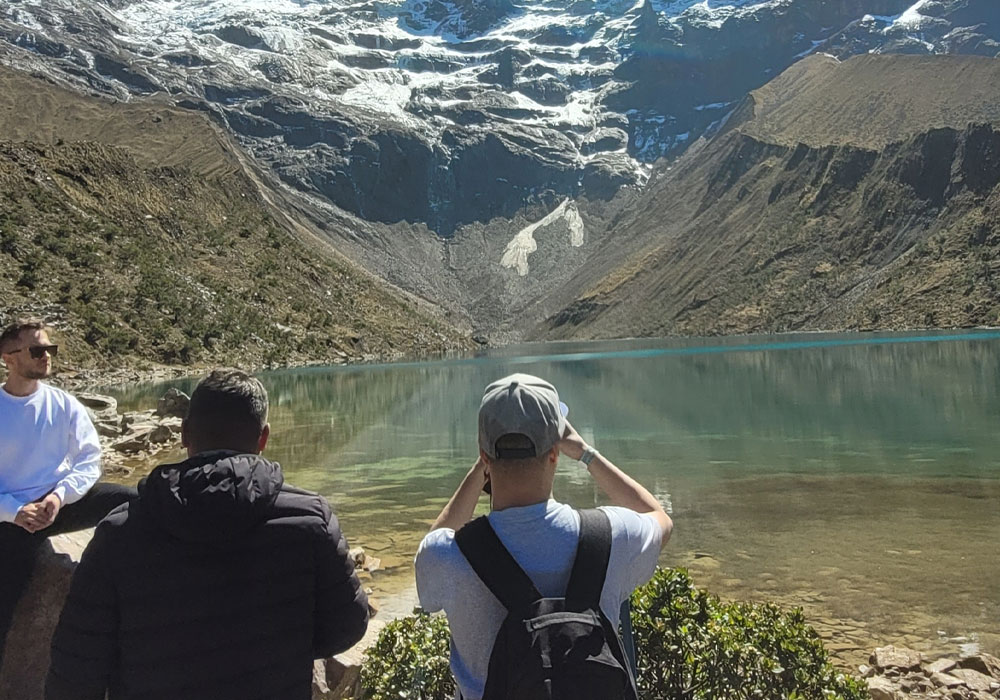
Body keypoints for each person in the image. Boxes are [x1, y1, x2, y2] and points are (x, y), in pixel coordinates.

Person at [46, 368, 369, 700]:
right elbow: (348, 624)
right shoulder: (310, 519)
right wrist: (285, 643)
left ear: (185, 434)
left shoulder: (119, 532)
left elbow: (76, 668)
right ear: (263, 438)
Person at [414, 373, 673, 700]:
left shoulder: (448, 556)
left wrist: (484, 467)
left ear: (484, 455)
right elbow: (660, 518)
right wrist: (586, 454)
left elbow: (433, 544)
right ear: (555, 452)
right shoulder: (612, 536)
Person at [0, 319, 135, 669]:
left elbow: (90, 461)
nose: (46, 356)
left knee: (134, 500)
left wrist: (59, 496)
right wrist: (14, 511)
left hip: (57, 505)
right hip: (10, 519)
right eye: (37, 350)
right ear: (8, 358)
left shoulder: (63, 404)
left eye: (49, 349)